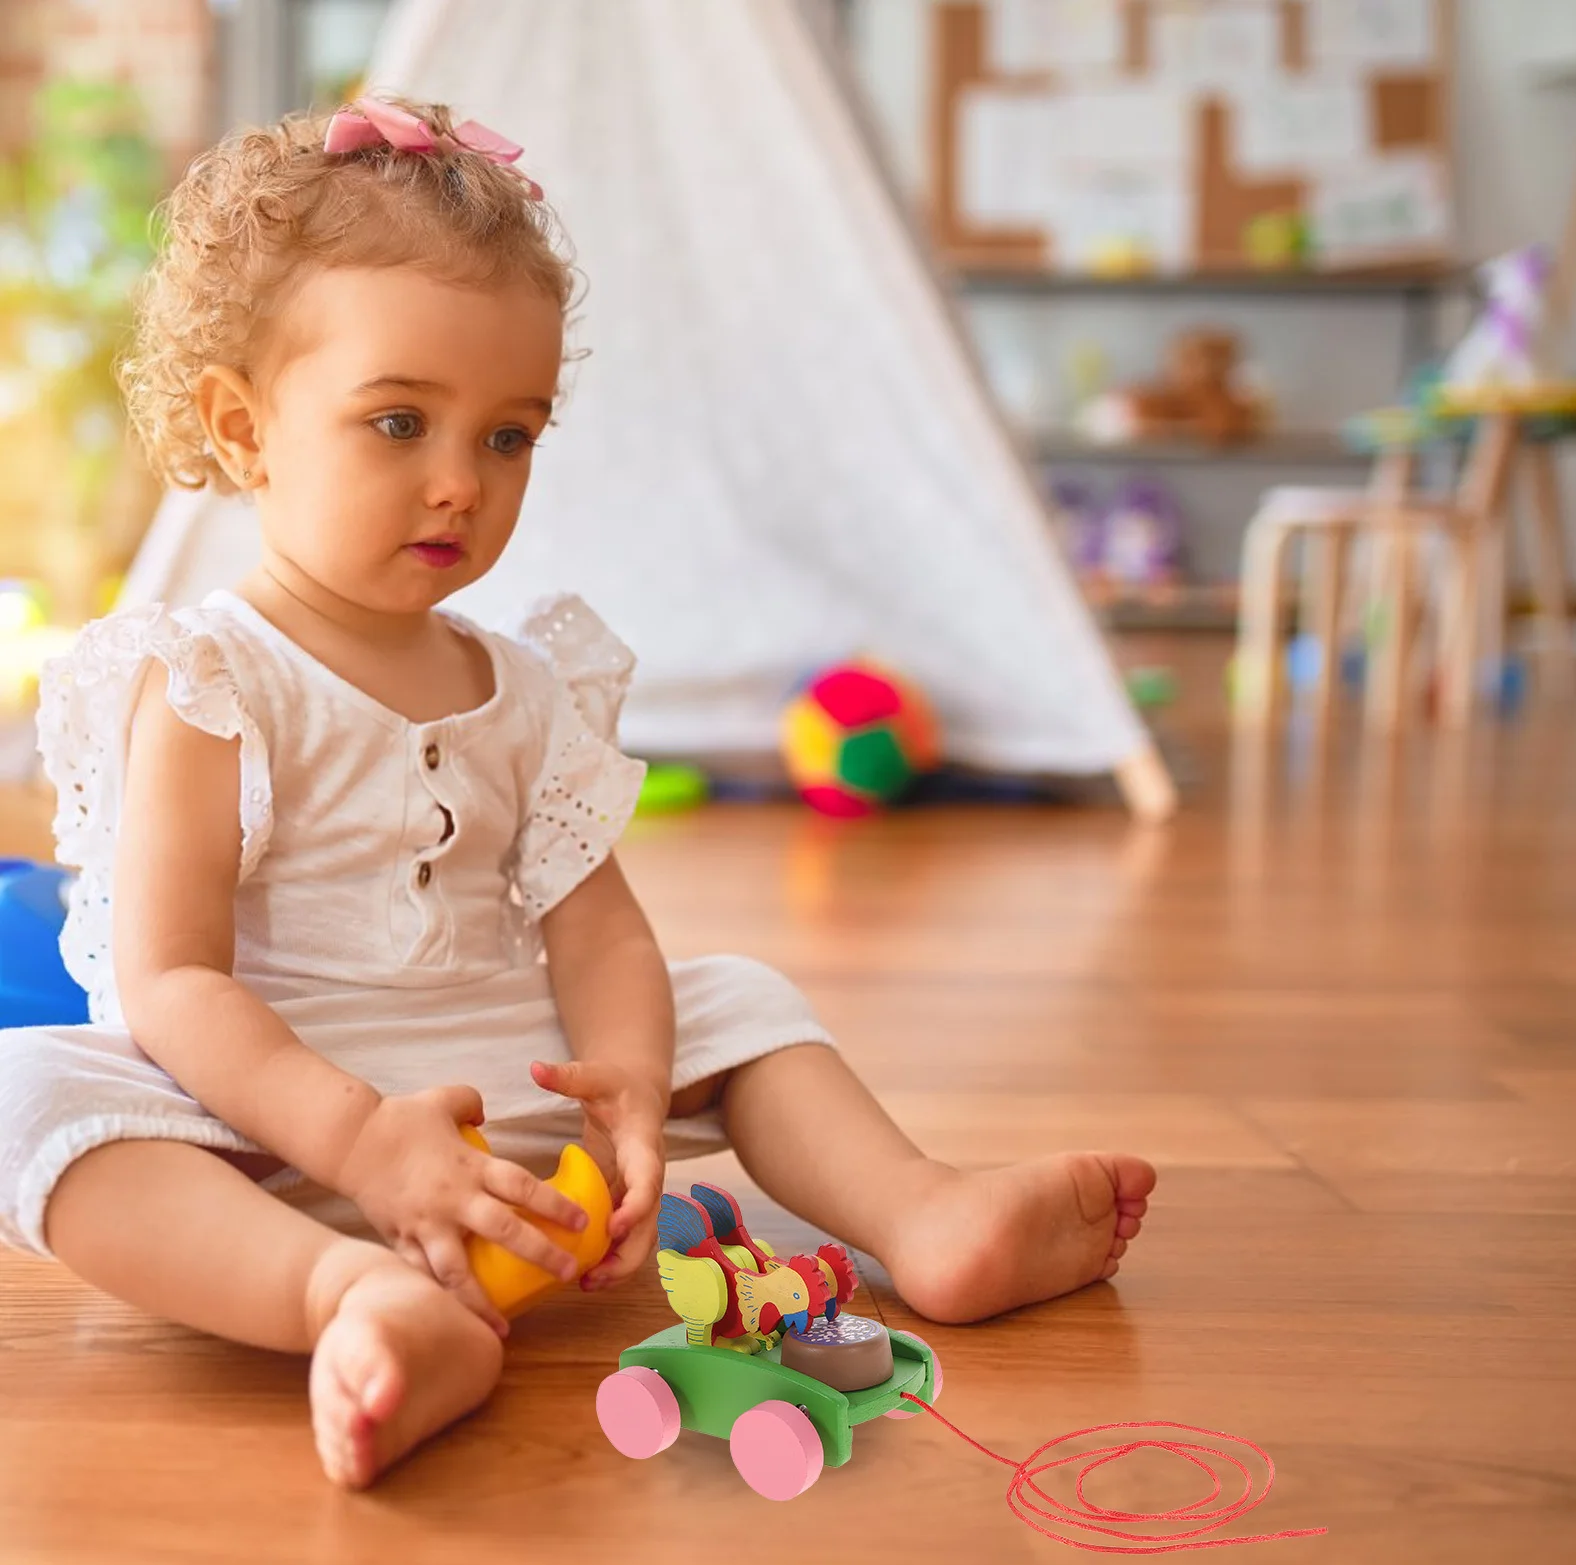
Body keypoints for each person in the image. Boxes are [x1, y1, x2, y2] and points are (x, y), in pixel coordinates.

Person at [0, 97, 1155, 1489]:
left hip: (512, 1101)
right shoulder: (206, 679)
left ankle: (925, 1216)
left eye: (509, 438)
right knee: (27, 1090)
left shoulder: (524, 683)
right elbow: (173, 981)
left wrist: (633, 1085)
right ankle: (349, 1295)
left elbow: (596, 924)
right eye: (398, 423)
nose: (458, 484)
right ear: (244, 430)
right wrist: (358, 1138)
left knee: (737, 999)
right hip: (265, 1126)